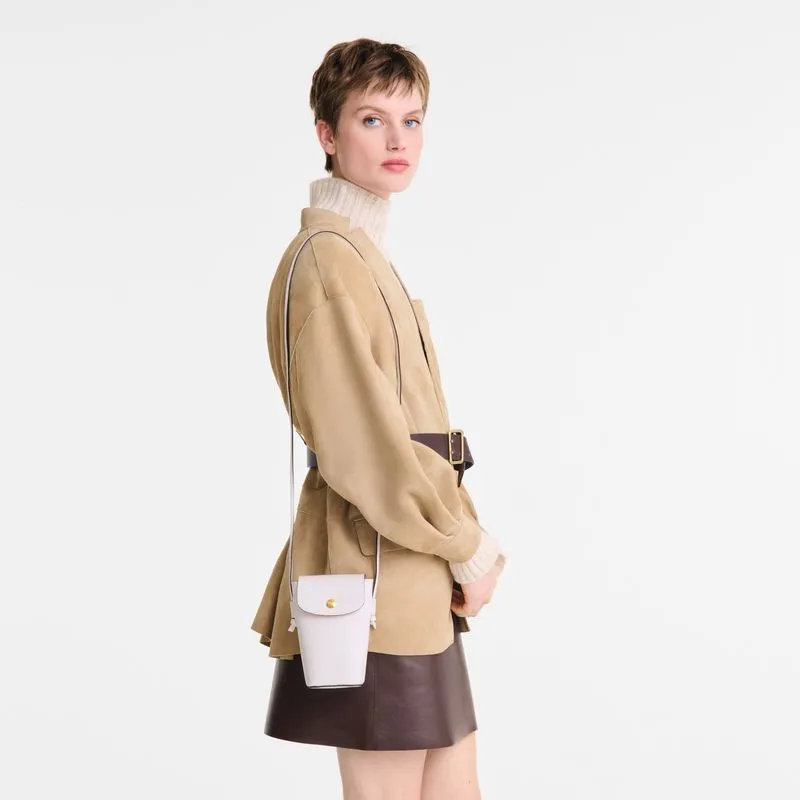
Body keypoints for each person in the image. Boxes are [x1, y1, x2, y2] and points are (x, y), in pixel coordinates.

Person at [250, 37, 506, 799]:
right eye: (372, 119)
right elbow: (365, 449)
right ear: (327, 134)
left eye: (412, 120)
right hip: (374, 578)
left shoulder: (363, 254)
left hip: (411, 572)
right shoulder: (326, 259)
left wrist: (462, 543)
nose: (398, 140)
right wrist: (469, 547)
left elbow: (416, 435)